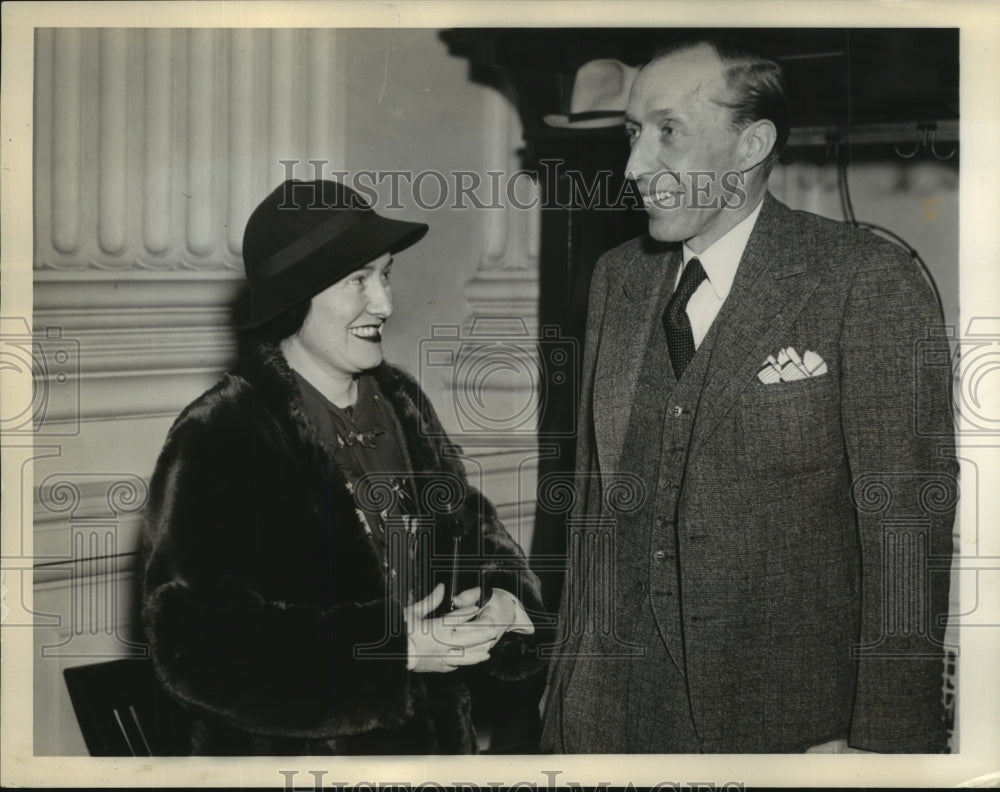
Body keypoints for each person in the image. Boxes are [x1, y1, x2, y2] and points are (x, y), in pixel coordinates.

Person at [540, 36, 957, 753]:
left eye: (667, 132)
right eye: (635, 134)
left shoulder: (865, 279)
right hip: (612, 715)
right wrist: (566, 686)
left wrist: (884, 744)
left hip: (784, 725)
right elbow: (592, 510)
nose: (636, 166)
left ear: (749, 145)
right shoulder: (619, 277)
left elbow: (904, 531)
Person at [141, 179, 543, 755]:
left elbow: (472, 536)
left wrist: (504, 599)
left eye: (385, 275)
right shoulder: (221, 435)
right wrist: (393, 651)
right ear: (295, 295)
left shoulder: (400, 399)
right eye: (358, 280)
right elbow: (195, 651)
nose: (384, 303)